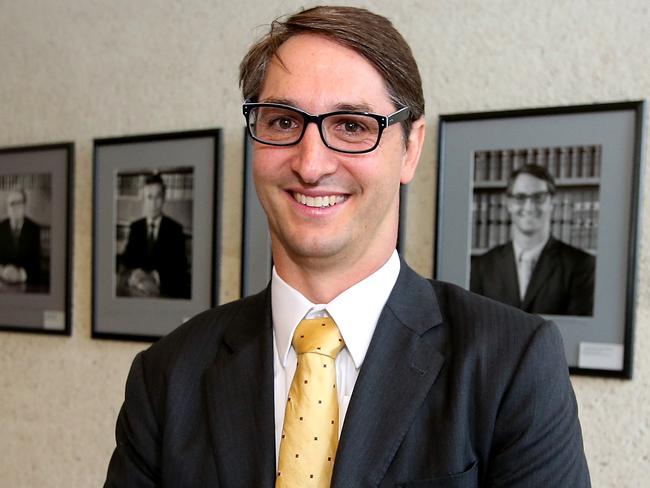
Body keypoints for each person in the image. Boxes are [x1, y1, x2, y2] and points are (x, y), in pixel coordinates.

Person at [105, 6, 590, 487]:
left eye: (352, 126)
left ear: (411, 149)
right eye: (282, 122)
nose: (311, 164)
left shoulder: (511, 365)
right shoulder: (167, 377)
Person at [470, 164, 596, 316]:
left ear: (552, 202)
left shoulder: (581, 265)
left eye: (538, 197)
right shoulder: (482, 266)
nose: (529, 207)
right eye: (520, 198)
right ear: (509, 204)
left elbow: (579, 330)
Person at [118, 174, 190, 299]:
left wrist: (156, 277)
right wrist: (135, 273)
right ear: (144, 199)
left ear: (163, 199)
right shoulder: (136, 227)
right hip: (137, 291)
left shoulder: (175, 229)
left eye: (158, 197)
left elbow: (180, 269)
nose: (153, 203)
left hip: (163, 292)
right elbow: (127, 260)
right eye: (149, 197)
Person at [0, 188, 42, 288]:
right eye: (12, 204)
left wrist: (20, 275)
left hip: (26, 284)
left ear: (24, 206)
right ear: (7, 208)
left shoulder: (34, 229)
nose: (16, 207)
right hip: (2, 282)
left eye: (19, 203)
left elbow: (36, 265)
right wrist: (2, 271)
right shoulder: (0, 228)